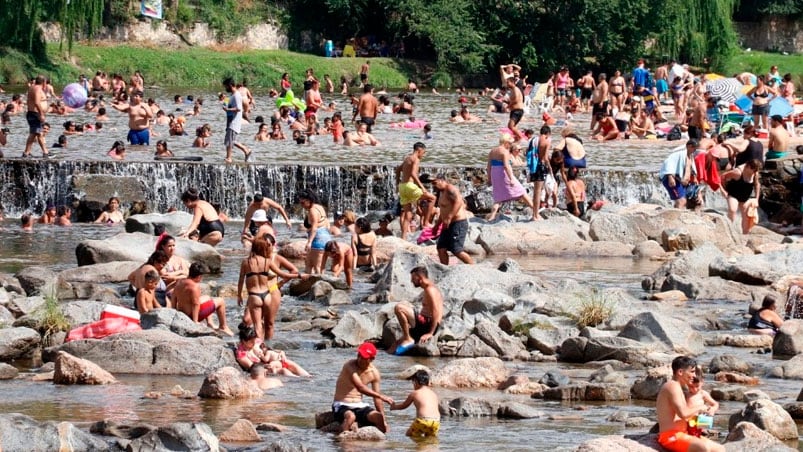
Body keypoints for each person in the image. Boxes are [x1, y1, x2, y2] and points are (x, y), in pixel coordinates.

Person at [237, 236, 307, 340]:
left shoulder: (275, 258)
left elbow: (292, 270)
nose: (267, 247)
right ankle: (252, 343)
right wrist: (300, 276)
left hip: (272, 291)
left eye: (268, 245)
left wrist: (281, 284)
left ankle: (265, 346)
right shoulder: (258, 261)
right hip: (260, 293)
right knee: (247, 320)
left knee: (268, 323)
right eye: (265, 245)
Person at [656, 355, 725, 452]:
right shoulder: (672, 386)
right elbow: (683, 414)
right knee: (702, 448)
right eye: (692, 372)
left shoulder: (679, 387)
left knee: (720, 449)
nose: (694, 375)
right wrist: (700, 407)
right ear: (680, 372)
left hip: (685, 434)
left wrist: (700, 420)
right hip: (670, 436)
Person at [332, 342, 394, 433]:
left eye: (364, 358)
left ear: (372, 359)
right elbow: (360, 387)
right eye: (359, 355)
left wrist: (384, 420)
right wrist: (382, 396)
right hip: (342, 404)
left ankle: (380, 445)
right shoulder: (349, 365)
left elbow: (377, 399)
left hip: (359, 405)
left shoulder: (374, 373)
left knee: (379, 418)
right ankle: (340, 441)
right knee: (351, 417)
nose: (360, 359)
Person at [392, 266, 443, 355]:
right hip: (422, 324)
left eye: (413, 278)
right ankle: (407, 338)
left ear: (420, 278)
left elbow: (436, 312)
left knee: (399, 308)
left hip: (426, 325)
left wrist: (430, 333)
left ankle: (407, 337)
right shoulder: (429, 288)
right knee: (394, 347)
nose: (411, 281)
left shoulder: (430, 290)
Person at [173, 262, 233, 336]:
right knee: (221, 301)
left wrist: (174, 312)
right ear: (199, 276)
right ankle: (223, 326)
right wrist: (195, 322)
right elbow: (195, 304)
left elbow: (173, 297)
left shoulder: (179, 282)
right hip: (191, 316)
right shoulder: (194, 287)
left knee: (207, 297)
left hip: (182, 313)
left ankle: (210, 323)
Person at [487, 133, 535, 221]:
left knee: (498, 196)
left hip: (495, 174)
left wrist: (489, 178)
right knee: (522, 191)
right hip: (503, 173)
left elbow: (489, 166)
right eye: (509, 143)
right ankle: (536, 212)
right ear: (505, 142)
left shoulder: (492, 151)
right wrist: (511, 178)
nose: (510, 146)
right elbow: (506, 166)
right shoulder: (504, 151)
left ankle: (492, 216)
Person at [395, 142, 437, 240]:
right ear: (419, 150)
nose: (423, 154)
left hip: (402, 187)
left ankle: (404, 237)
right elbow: (414, 174)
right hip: (410, 186)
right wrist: (422, 187)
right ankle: (426, 222)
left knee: (408, 214)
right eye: (423, 152)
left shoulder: (407, 158)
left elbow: (397, 170)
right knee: (432, 198)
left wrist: (397, 184)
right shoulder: (416, 159)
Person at [432, 174, 474, 265]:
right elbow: (443, 211)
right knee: (441, 248)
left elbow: (459, 202)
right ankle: (445, 269)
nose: (433, 185)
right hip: (447, 223)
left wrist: (450, 217)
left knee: (456, 250)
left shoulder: (450, 188)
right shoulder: (441, 192)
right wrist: (436, 225)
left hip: (458, 223)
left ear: (442, 180)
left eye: (435, 183)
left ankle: (474, 268)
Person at [235, 325, 310, 377]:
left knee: (288, 362)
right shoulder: (241, 354)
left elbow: (269, 350)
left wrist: (281, 353)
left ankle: (308, 377)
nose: (253, 343)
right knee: (283, 371)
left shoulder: (257, 342)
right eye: (251, 342)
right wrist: (269, 365)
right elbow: (253, 367)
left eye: (254, 341)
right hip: (264, 369)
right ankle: (299, 381)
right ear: (243, 341)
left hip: (271, 363)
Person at [390, 369, 441, 439]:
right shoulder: (434, 394)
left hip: (423, 421)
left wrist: (394, 407)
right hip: (436, 421)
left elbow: (404, 405)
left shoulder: (415, 393)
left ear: (416, 382)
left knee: (409, 435)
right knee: (430, 439)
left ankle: (419, 448)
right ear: (428, 382)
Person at [721, 159, 762, 234]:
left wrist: (756, 199)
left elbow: (757, 185)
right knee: (733, 209)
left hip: (745, 196)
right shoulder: (737, 173)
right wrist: (724, 190)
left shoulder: (755, 174)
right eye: (754, 170)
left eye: (756, 170)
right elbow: (723, 176)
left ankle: (745, 235)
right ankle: (729, 230)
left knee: (746, 217)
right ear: (748, 167)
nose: (755, 172)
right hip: (733, 194)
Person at [299, 189, 331, 274]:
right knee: (310, 264)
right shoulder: (320, 207)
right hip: (325, 236)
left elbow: (314, 227)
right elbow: (327, 223)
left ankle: (319, 285)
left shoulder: (312, 210)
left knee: (317, 267)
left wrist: (309, 242)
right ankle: (312, 285)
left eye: (302, 203)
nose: (301, 205)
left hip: (318, 238)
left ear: (309, 200)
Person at [659, 140, 697, 209]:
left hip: (681, 182)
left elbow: (691, 168)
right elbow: (668, 163)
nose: (695, 149)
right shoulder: (678, 154)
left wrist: (694, 177)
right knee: (681, 201)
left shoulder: (690, 156)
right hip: (672, 179)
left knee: (683, 201)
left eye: (695, 147)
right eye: (693, 147)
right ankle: (677, 218)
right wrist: (670, 177)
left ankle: (674, 215)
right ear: (688, 146)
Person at [222, 77, 251, 163]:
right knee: (230, 140)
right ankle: (246, 150)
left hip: (234, 122)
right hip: (230, 121)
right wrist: (226, 105)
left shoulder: (237, 95)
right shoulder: (232, 96)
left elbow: (239, 108)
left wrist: (228, 110)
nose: (225, 88)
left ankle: (229, 157)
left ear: (230, 85)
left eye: (226, 86)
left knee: (230, 140)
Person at [684, 366, 719, 438]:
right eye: (690, 386)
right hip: (688, 420)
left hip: (700, 421)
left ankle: (703, 432)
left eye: (697, 386)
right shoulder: (685, 394)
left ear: (702, 382)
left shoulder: (702, 393)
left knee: (699, 432)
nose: (694, 389)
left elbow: (715, 404)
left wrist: (712, 410)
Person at [22, 75, 50, 158]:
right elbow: (37, 102)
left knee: (36, 133)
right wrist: (41, 114)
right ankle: (43, 153)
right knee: (36, 133)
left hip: (33, 113)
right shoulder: (37, 89)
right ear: (44, 82)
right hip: (35, 114)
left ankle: (29, 153)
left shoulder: (33, 88)